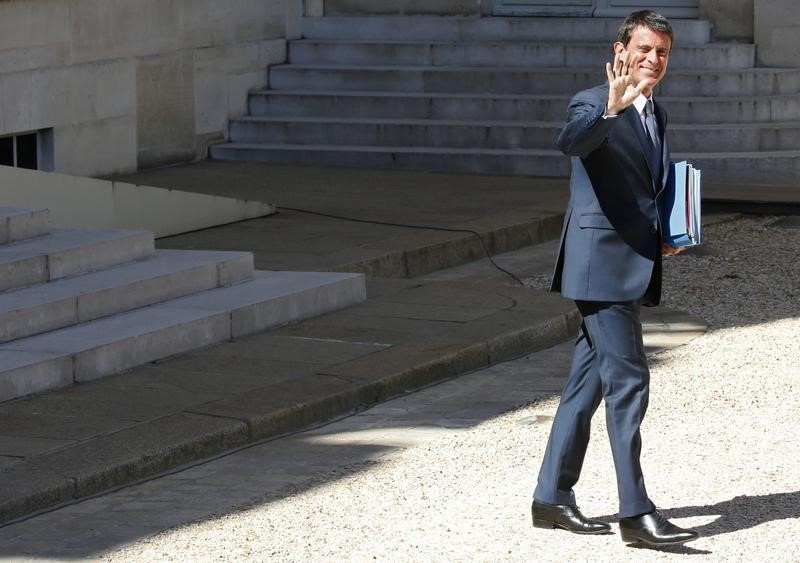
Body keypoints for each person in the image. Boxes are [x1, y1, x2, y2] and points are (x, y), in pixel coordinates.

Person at [530, 10, 699, 547]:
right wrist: (610, 106)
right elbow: (572, 142)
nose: (653, 60)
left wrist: (666, 232)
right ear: (620, 50)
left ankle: (551, 499)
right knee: (629, 381)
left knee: (587, 384)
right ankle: (636, 513)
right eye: (644, 49)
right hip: (598, 265)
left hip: (631, 261)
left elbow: (645, 187)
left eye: (663, 52)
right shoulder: (591, 101)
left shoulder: (656, 112)